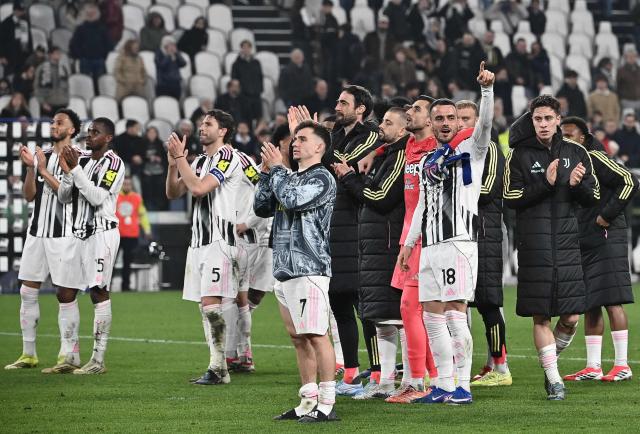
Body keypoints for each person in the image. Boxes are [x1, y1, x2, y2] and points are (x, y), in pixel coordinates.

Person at [398, 62, 495, 405]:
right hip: (431, 246)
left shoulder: (473, 149)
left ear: (458, 122)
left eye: (449, 119)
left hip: (458, 243)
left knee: (455, 312)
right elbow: (422, 205)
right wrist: (409, 244)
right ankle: (442, 384)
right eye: (437, 119)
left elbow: (485, 124)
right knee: (431, 314)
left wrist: (486, 90)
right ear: (432, 123)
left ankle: (463, 387)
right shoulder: (428, 162)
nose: (443, 124)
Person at [503, 95, 600, 400]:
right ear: (531, 121)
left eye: (548, 118)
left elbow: (594, 196)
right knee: (541, 315)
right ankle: (554, 379)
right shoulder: (518, 154)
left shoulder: (576, 151)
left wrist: (578, 185)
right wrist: (545, 183)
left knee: (572, 316)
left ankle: (549, 365)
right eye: (537, 119)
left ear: (559, 119)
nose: (543, 124)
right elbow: (509, 197)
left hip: (567, 242)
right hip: (535, 245)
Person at [255, 121, 338, 422]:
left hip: (309, 267)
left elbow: (291, 199)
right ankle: (307, 400)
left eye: (303, 139)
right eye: (294, 139)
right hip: (284, 268)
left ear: (319, 147)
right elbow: (262, 207)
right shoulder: (288, 177)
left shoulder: (322, 178)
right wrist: (267, 173)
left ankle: (327, 403)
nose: (295, 144)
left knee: (316, 335)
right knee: (298, 337)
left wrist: (277, 170)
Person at [166, 109, 246, 385]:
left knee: (210, 303)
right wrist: (173, 165)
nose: (202, 127)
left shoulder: (227, 156)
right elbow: (174, 192)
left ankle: (219, 367)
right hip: (198, 241)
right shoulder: (199, 160)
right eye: (201, 123)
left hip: (219, 240)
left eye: (208, 124)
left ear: (222, 131)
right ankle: (218, 366)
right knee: (206, 306)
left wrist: (180, 158)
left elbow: (200, 189)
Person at [333, 107, 408, 399]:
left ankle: (410, 379)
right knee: (382, 318)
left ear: (402, 130)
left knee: (395, 317)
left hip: (387, 246)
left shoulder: (399, 157)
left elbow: (381, 198)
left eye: (388, 123)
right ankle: (384, 382)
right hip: (374, 245)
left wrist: (350, 178)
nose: (382, 127)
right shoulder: (383, 155)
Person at [4, 109, 85, 372]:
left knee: (65, 295)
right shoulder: (44, 156)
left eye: (60, 122)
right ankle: (28, 354)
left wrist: (40, 167)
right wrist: (31, 170)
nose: (54, 125)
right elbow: (29, 195)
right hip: (36, 232)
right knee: (27, 291)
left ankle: (68, 354)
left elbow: (66, 195)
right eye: (52, 121)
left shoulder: (77, 157)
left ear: (72, 130)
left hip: (64, 235)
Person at [560, 117, 637, 383]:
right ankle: (593, 366)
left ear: (583, 137)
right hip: (584, 236)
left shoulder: (594, 157)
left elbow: (630, 180)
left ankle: (622, 365)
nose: (565, 139)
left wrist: (606, 215)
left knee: (612, 298)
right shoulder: (567, 163)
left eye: (569, 135)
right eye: (563, 135)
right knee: (590, 301)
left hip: (606, 234)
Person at [318, 86, 381, 397]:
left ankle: (379, 372)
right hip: (333, 226)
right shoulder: (337, 136)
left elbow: (342, 164)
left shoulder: (369, 134)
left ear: (361, 109)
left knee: (365, 306)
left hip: (358, 228)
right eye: (338, 101)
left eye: (344, 102)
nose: (337, 106)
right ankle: (352, 371)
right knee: (338, 301)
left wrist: (321, 140)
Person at [56, 117, 125, 374]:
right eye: (88, 132)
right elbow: (64, 197)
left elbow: (97, 198)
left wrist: (74, 170)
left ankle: (97, 360)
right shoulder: (81, 159)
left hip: (102, 234)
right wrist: (67, 171)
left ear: (107, 137)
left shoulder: (115, 164)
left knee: (98, 291)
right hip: (78, 234)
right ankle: (70, 356)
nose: (89, 136)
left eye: (95, 132)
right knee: (64, 292)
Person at [456, 100, 511, 387]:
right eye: (458, 118)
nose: (463, 124)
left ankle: (501, 367)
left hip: (485, 233)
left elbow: (488, 190)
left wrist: (455, 191)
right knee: (457, 304)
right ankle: (462, 364)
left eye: (467, 118)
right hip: (460, 235)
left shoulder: (488, 147)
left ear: (479, 121)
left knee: (489, 302)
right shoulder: (456, 150)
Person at [116, 175, 152, 292]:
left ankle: (125, 287)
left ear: (131, 185)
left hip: (131, 235)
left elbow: (143, 215)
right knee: (110, 262)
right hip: (116, 234)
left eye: (128, 184)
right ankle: (105, 287)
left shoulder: (137, 198)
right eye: (125, 184)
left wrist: (147, 230)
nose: (127, 186)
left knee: (128, 262)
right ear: (121, 184)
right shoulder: (115, 196)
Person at [69, 4, 113, 82]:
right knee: (86, 83)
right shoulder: (80, 29)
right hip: (85, 61)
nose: (90, 15)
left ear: (97, 14)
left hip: (99, 60)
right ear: (85, 14)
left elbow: (108, 44)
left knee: (100, 83)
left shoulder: (103, 28)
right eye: (88, 13)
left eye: (93, 13)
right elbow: (74, 45)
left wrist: (103, 55)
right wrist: (81, 56)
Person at [231, 40, 263, 125]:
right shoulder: (236, 64)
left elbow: (260, 77)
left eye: (248, 47)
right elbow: (234, 80)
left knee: (258, 118)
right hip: (244, 96)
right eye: (244, 47)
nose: (246, 49)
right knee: (246, 118)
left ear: (251, 49)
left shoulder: (256, 63)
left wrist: (259, 90)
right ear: (241, 49)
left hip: (256, 95)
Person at [34, 47, 71, 118]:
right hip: (48, 104)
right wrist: (42, 102)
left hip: (62, 104)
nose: (59, 55)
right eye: (56, 53)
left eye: (59, 53)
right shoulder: (42, 68)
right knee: (47, 127)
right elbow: (37, 87)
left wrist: (67, 100)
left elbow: (67, 86)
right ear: (50, 55)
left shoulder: (63, 68)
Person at [0, 0, 33, 76]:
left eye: (23, 10)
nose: (22, 13)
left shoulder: (25, 22)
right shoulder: (6, 23)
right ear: (15, 10)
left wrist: (30, 53)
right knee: (10, 77)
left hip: (23, 55)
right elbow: (1, 41)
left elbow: (29, 38)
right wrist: (2, 56)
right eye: (20, 10)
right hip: (10, 57)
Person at [141, 126, 169, 211]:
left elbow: (166, 158)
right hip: (147, 171)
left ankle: (160, 208)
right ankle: (148, 207)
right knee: (147, 188)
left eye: (154, 133)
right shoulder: (142, 143)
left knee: (160, 188)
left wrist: (159, 158)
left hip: (159, 171)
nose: (152, 135)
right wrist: (148, 158)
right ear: (147, 134)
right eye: (150, 133)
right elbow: (139, 156)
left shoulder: (160, 143)